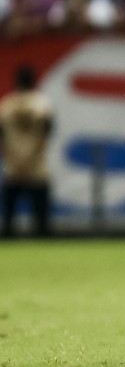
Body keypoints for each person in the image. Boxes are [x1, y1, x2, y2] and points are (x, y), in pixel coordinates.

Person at [0, 65, 54, 238]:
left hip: (13, 166)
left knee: (9, 224)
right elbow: (45, 136)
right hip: (37, 166)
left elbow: (2, 138)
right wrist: (30, 159)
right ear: (34, 81)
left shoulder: (6, 105)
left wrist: (14, 158)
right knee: (42, 225)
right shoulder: (43, 104)